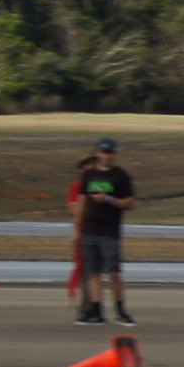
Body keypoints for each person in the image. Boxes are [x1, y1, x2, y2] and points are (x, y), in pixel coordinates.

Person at [68, 138, 136, 325]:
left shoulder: (121, 176)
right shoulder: (89, 175)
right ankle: (96, 310)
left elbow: (130, 203)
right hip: (89, 230)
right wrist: (77, 229)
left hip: (109, 231)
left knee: (114, 273)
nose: (107, 156)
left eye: (110, 153)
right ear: (98, 153)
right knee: (93, 272)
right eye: (104, 152)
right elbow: (81, 203)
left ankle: (120, 310)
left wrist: (109, 199)